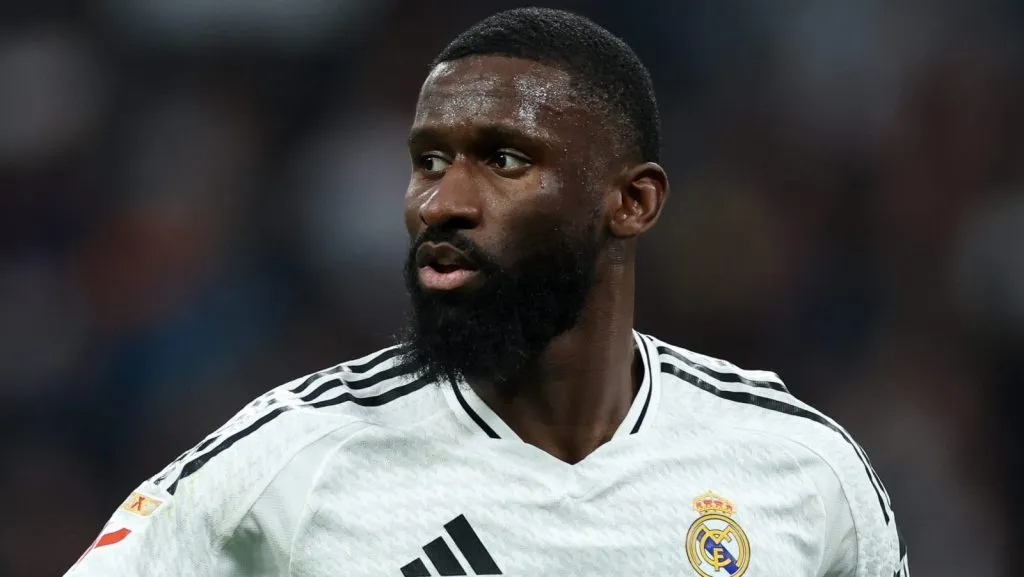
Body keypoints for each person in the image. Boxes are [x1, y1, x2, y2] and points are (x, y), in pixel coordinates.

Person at [65, 7, 907, 577]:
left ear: (633, 201)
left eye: (504, 160)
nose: (442, 202)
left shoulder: (799, 466)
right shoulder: (293, 460)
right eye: (429, 161)